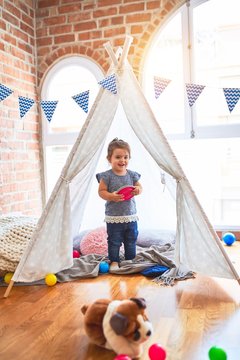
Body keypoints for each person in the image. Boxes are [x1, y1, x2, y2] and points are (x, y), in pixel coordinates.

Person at [96, 138, 142, 271]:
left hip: (130, 215)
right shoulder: (107, 176)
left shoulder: (132, 175)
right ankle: (114, 261)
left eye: (125, 157)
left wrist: (138, 189)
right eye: (118, 157)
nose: (122, 160)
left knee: (131, 238)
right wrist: (111, 196)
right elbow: (101, 191)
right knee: (114, 241)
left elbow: (139, 186)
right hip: (114, 217)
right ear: (109, 159)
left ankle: (129, 259)